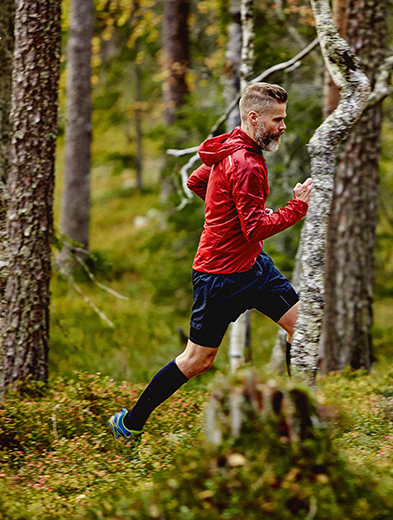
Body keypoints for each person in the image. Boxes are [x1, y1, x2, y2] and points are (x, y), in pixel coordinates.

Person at [109, 82, 313, 442]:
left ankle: (298, 426)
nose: (283, 126)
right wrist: (298, 205)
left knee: (305, 327)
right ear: (254, 118)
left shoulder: (230, 146)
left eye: (284, 118)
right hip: (219, 278)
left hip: (255, 268)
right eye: (277, 119)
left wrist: (231, 208)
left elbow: (195, 181)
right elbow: (254, 229)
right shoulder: (247, 163)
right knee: (197, 360)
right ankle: (129, 424)